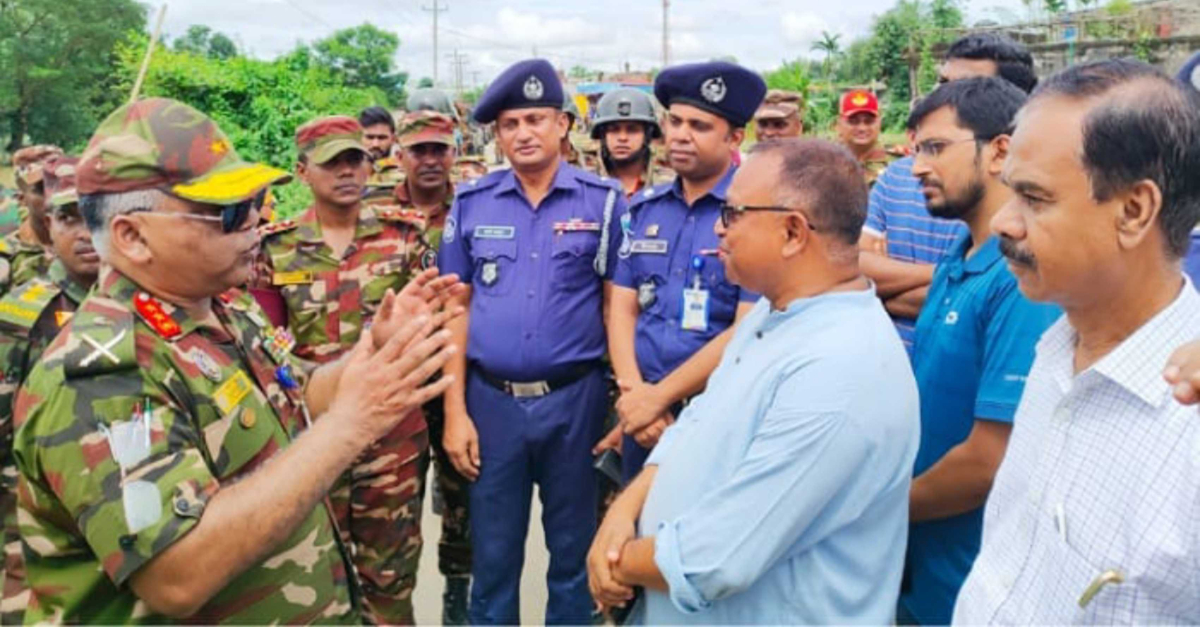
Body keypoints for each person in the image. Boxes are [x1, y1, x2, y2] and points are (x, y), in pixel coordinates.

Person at [10, 97, 462, 623]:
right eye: (227, 212)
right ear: (133, 237)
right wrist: (352, 424)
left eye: (256, 201)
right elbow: (178, 574)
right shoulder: (101, 377)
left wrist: (370, 355)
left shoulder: (224, 306)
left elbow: (295, 395)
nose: (255, 221)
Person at [587, 138, 919, 623]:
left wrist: (616, 560)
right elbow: (693, 426)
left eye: (734, 213)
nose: (721, 228)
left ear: (791, 232)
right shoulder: (775, 313)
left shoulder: (840, 369)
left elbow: (715, 559)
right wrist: (621, 513)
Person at [954, 59, 1200, 624]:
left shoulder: (1186, 421)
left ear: (1134, 211)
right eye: (1008, 193)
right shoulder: (1055, 348)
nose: (1003, 225)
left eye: (1035, 199)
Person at [437, 58, 626, 624]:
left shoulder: (605, 201)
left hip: (576, 402)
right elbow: (455, 308)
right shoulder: (472, 203)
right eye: (511, 123)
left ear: (564, 125)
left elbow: (621, 305)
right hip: (490, 404)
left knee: (573, 554)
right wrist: (454, 413)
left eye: (537, 119)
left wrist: (622, 399)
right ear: (497, 134)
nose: (524, 133)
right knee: (493, 559)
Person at [253, 115, 435, 625]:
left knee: (392, 576)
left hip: (392, 442)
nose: (348, 172)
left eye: (356, 159)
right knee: (316, 576)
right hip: (313, 439)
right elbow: (267, 350)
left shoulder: (404, 238)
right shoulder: (275, 248)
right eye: (333, 162)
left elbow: (431, 326)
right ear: (303, 170)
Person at [899, 77, 1061, 626]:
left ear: (1000, 150)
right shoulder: (960, 255)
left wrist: (875, 515)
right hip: (924, 565)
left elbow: (990, 459)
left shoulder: (1020, 279)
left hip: (970, 582)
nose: (918, 166)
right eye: (917, 148)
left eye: (936, 148)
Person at [599, 61, 762, 484]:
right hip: (643, 414)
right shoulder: (645, 209)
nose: (680, 135)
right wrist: (635, 394)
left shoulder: (754, 214)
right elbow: (622, 308)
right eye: (674, 121)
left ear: (735, 138)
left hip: (716, 411)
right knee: (636, 536)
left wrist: (659, 399)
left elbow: (748, 328)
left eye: (700, 125)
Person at [860, 32, 1037, 352]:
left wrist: (885, 287)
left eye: (966, 89)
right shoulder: (899, 177)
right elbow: (853, 272)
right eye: (942, 83)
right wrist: (949, 275)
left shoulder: (1027, 207)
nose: (943, 97)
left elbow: (1006, 293)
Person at [0, 156, 97, 624]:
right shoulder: (23, 317)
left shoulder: (157, 303)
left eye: (95, 215)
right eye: (68, 218)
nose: (84, 232)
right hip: (38, 521)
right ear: (48, 225)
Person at [393, 109, 472, 624]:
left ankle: (456, 608)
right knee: (391, 516)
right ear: (400, 154)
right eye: (419, 150)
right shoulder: (372, 209)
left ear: (453, 153)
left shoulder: (474, 207)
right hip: (397, 389)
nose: (429, 160)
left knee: (465, 509)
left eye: (439, 149)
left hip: (457, 382)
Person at [589, 87, 671, 199]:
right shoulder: (585, 184)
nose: (622, 138)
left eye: (632, 130)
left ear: (647, 135)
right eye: (614, 130)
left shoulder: (670, 185)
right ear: (603, 135)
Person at [4, 145, 62, 292]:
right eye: (41, 189)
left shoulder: (95, 244)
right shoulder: (7, 257)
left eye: (61, 184)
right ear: (22, 199)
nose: (55, 195)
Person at [835, 89, 890, 186]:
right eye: (853, 121)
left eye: (869, 121)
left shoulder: (897, 162)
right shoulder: (825, 162)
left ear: (879, 123)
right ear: (839, 124)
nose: (862, 128)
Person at [360, 106, 405, 207]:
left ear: (393, 139)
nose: (375, 144)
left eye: (382, 138)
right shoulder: (347, 172)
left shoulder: (401, 176)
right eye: (369, 137)